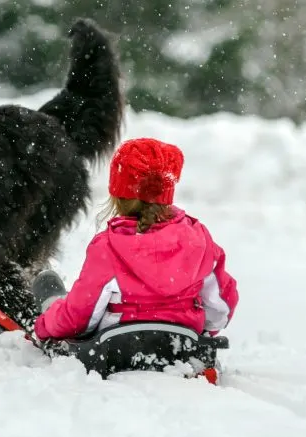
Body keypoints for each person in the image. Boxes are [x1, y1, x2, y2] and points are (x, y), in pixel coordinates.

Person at [32, 137, 239, 346]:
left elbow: (80, 317)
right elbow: (221, 305)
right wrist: (204, 331)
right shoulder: (199, 239)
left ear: (117, 194)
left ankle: (49, 305)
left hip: (118, 346)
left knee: (48, 286)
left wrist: (43, 328)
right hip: (182, 341)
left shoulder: (109, 247)